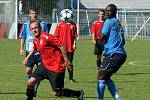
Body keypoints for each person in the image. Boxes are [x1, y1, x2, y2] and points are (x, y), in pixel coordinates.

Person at [22, 20, 84, 100]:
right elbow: (35, 47)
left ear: (40, 28)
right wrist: (27, 58)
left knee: (56, 93)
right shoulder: (35, 40)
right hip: (45, 66)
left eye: (36, 28)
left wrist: (66, 60)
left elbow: (61, 44)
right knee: (30, 81)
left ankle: (78, 93)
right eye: (32, 29)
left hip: (56, 68)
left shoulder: (48, 37)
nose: (34, 30)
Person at [97, 4, 127, 100]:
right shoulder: (118, 22)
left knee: (100, 77)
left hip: (113, 54)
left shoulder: (109, 21)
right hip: (121, 54)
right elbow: (123, 41)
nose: (106, 12)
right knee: (105, 77)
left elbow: (101, 36)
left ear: (114, 12)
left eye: (109, 11)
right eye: (106, 10)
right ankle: (117, 98)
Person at [19, 7, 48, 96]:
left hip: (40, 52)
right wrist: (21, 48)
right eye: (32, 13)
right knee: (28, 70)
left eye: (35, 13)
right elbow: (23, 36)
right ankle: (33, 82)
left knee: (39, 72)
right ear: (29, 14)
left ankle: (34, 89)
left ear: (37, 14)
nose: (34, 15)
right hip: (29, 52)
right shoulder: (26, 25)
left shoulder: (42, 24)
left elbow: (46, 37)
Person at [54, 9, 77, 83]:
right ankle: (60, 78)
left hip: (70, 47)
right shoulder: (59, 24)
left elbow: (74, 36)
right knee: (61, 63)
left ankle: (71, 78)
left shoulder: (73, 25)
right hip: (61, 47)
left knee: (70, 62)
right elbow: (56, 37)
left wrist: (74, 44)